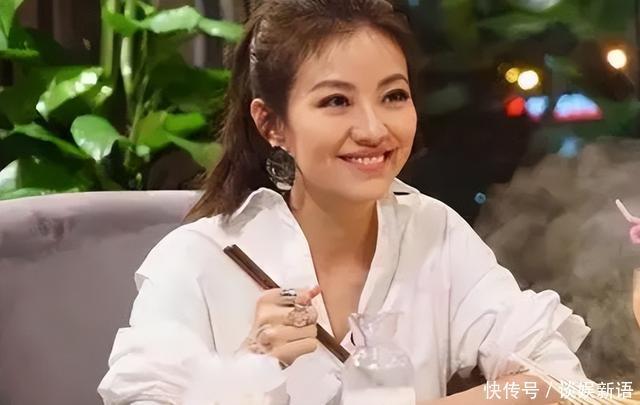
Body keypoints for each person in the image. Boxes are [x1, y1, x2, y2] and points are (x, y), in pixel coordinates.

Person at [98, 0, 592, 403]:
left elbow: (557, 382)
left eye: (393, 96)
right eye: (336, 101)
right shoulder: (197, 260)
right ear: (271, 124)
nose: (374, 129)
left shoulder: (433, 231)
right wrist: (250, 365)